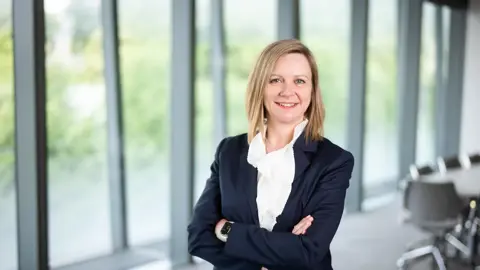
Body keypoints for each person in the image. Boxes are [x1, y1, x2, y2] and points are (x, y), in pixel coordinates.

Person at [187, 39, 354, 270]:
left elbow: (309, 250)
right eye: (275, 80)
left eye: (299, 81)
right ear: (260, 87)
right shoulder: (229, 151)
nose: (288, 91)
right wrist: (273, 256)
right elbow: (198, 237)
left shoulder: (333, 161)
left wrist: (227, 230)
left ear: (312, 91)